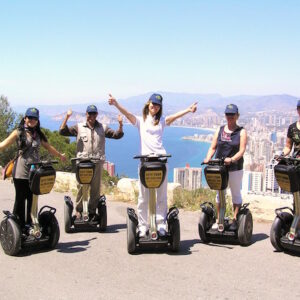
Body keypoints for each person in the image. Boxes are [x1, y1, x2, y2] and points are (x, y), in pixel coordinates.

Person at [108, 93, 197, 237]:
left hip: (161, 161)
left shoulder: (161, 121)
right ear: (148, 104)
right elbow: (128, 113)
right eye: (152, 103)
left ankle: (161, 224)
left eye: (157, 105)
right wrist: (116, 104)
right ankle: (143, 225)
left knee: (161, 195)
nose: (154, 106)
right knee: (144, 196)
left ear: (159, 107)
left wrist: (188, 110)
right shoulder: (140, 121)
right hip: (145, 163)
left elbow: (175, 116)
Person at [0, 107, 66, 229]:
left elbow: (48, 147)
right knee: (20, 199)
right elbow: (3, 145)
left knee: (32, 199)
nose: (32, 120)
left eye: (34, 118)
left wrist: (60, 155)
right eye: (30, 117)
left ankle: (30, 224)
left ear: (37, 120)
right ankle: (17, 226)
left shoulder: (38, 135)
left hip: (34, 173)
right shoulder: (18, 132)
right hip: (20, 172)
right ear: (25, 118)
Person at [59, 104, 124, 220]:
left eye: (94, 114)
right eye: (90, 114)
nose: (92, 116)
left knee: (95, 188)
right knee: (81, 187)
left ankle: (92, 211)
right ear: (86, 114)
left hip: (97, 162)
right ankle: (79, 210)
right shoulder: (79, 127)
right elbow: (62, 132)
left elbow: (117, 135)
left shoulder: (103, 128)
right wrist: (67, 117)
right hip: (82, 162)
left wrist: (120, 124)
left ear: (97, 115)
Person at [203, 104, 247, 231]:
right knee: (219, 193)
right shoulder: (220, 130)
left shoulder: (241, 132)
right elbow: (213, 147)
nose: (230, 117)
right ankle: (219, 219)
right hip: (220, 168)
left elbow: (242, 150)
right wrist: (208, 158)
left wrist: (232, 159)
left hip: (235, 168)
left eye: (232, 115)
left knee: (235, 193)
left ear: (237, 116)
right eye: (228, 114)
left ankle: (235, 219)